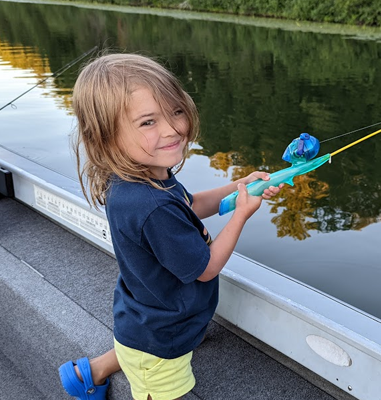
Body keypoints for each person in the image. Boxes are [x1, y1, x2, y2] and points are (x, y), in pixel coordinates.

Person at [58, 52, 282, 400]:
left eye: (176, 111)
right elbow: (206, 269)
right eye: (148, 122)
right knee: (153, 371)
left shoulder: (142, 178)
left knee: (139, 348)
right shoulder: (151, 205)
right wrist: (241, 215)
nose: (173, 128)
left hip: (149, 312)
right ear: (106, 136)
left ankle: (92, 371)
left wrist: (239, 187)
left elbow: (191, 205)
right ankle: (95, 376)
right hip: (162, 339)